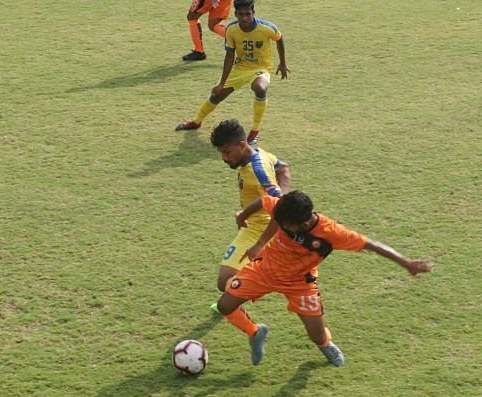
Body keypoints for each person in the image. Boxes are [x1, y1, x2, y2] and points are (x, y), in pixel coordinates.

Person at [210, 191, 432, 367]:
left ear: (302, 223)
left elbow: (371, 244)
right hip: (264, 270)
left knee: (316, 335)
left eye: (285, 225)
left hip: (300, 283)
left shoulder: (331, 232)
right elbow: (263, 201)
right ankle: (255, 332)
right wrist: (242, 215)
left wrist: (406, 263)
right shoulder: (285, 210)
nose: (281, 227)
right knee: (225, 305)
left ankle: (326, 345)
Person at [176, 0, 289, 147]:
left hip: (260, 68)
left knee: (260, 88)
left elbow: (279, 39)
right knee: (216, 95)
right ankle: (196, 122)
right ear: (235, 14)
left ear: (253, 13)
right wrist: (221, 83)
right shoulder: (231, 30)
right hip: (240, 68)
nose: (244, 18)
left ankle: (254, 132)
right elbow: (229, 56)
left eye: (248, 14)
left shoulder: (267, 28)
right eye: (241, 15)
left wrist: (283, 63)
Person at [209, 119, 290, 292]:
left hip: (259, 231)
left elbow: (282, 210)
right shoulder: (259, 154)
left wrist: (260, 244)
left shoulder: (258, 172)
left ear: (242, 145)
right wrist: (283, 192)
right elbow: (282, 167)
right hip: (252, 227)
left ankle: (237, 307)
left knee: (225, 282)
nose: (224, 158)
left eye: (227, 152)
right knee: (230, 283)